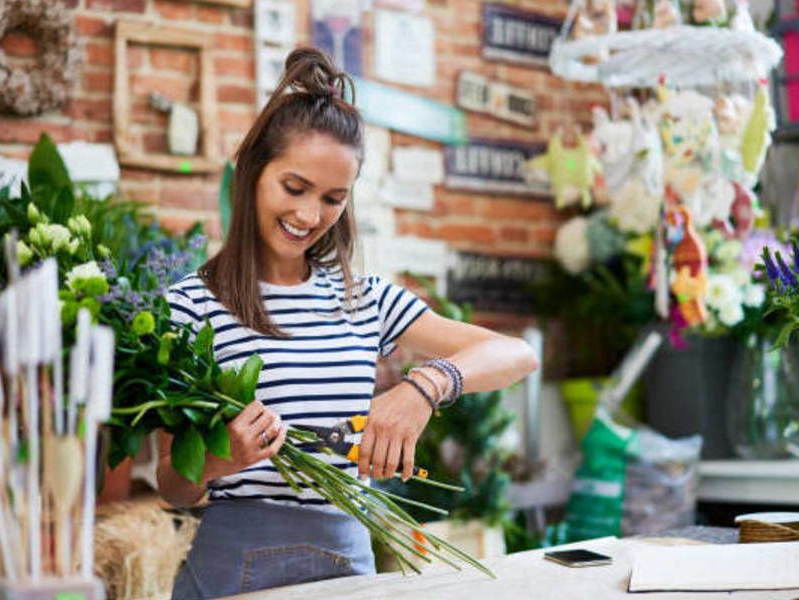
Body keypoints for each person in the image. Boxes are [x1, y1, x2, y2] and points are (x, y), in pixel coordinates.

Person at [159, 47, 539, 599]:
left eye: (333, 198)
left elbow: (516, 354)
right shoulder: (189, 308)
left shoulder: (364, 301)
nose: (310, 216)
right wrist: (224, 457)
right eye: (294, 188)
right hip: (232, 574)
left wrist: (423, 389)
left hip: (348, 570)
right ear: (252, 171)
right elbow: (171, 484)